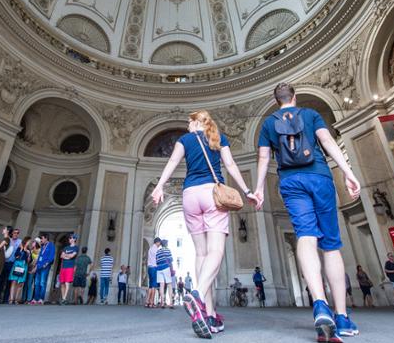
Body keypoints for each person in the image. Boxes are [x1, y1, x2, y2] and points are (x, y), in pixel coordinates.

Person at [255, 83, 360, 341]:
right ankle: (342, 317)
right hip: (319, 176)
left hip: (291, 182)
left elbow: (264, 158)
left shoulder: (268, 123)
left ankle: (319, 304)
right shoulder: (311, 115)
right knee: (331, 245)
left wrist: (258, 188)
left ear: (276, 101)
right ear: (294, 97)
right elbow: (327, 141)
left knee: (305, 235)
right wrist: (348, 173)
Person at [152, 110, 257, 337]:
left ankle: (208, 314)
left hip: (190, 195)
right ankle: (197, 294)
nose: (187, 125)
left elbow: (173, 161)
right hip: (212, 194)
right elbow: (230, 165)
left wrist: (159, 186)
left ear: (195, 122)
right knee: (215, 251)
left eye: (189, 122)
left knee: (200, 254)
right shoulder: (218, 138)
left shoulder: (185, 139)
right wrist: (247, 190)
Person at [0, 227, 21, 303]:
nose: (16, 234)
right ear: (12, 233)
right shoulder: (8, 240)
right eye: (14, 233)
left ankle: (5, 299)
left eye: (17, 233)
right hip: (4, 262)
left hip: (12, 264)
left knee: (9, 282)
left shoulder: (19, 242)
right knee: (0, 280)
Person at [33, 232, 54, 304]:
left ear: (46, 238)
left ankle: (41, 299)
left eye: (42, 238)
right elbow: (39, 256)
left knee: (42, 282)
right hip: (39, 266)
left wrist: (46, 264)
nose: (41, 240)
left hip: (45, 267)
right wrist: (36, 266)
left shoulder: (51, 245)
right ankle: (35, 298)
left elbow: (51, 256)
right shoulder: (42, 246)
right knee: (36, 283)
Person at [8, 238, 30, 304]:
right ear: (26, 241)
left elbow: (29, 261)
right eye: (29, 241)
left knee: (20, 283)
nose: (30, 242)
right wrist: (21, 250)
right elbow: (16, 256)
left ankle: (16, 299)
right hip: (17, 264)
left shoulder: (28, 250)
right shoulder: (19, 247)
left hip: (24, 265)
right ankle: (11, 298)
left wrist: (28, 253)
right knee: (14, 281)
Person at [59, 234, 79, 305]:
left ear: (74, 239)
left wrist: (66, 255)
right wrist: (68, 256)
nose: (70, 239)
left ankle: (64, 298)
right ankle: (63, 298)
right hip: (63, 267)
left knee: (67, 283)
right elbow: (61, 256)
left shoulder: (76, 248)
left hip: (70, 267)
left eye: (71, 238)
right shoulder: (66, 247)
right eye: (69, 238)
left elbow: (72, 256)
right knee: (62, 283)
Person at [156, 239, 174, 308]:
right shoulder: (168, 250)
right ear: (166, 244)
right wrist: (171, 268)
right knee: (169, 284)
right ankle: (171, 303)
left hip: (159, 269)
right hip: (166, 268)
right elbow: (170, 260)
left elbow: (157, 261)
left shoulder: (158, 251)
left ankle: (162, 303)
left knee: (161, 285)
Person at [145, 237, 160, 308]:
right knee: (154, 286)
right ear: (157, 242)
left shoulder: (150, 249)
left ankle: (147, 302)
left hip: (149, 268)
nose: (159, 244)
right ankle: (152, 302)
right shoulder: (156, 249)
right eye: (159, 243)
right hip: (154, 268)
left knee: (150, 286)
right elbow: (158, 260)